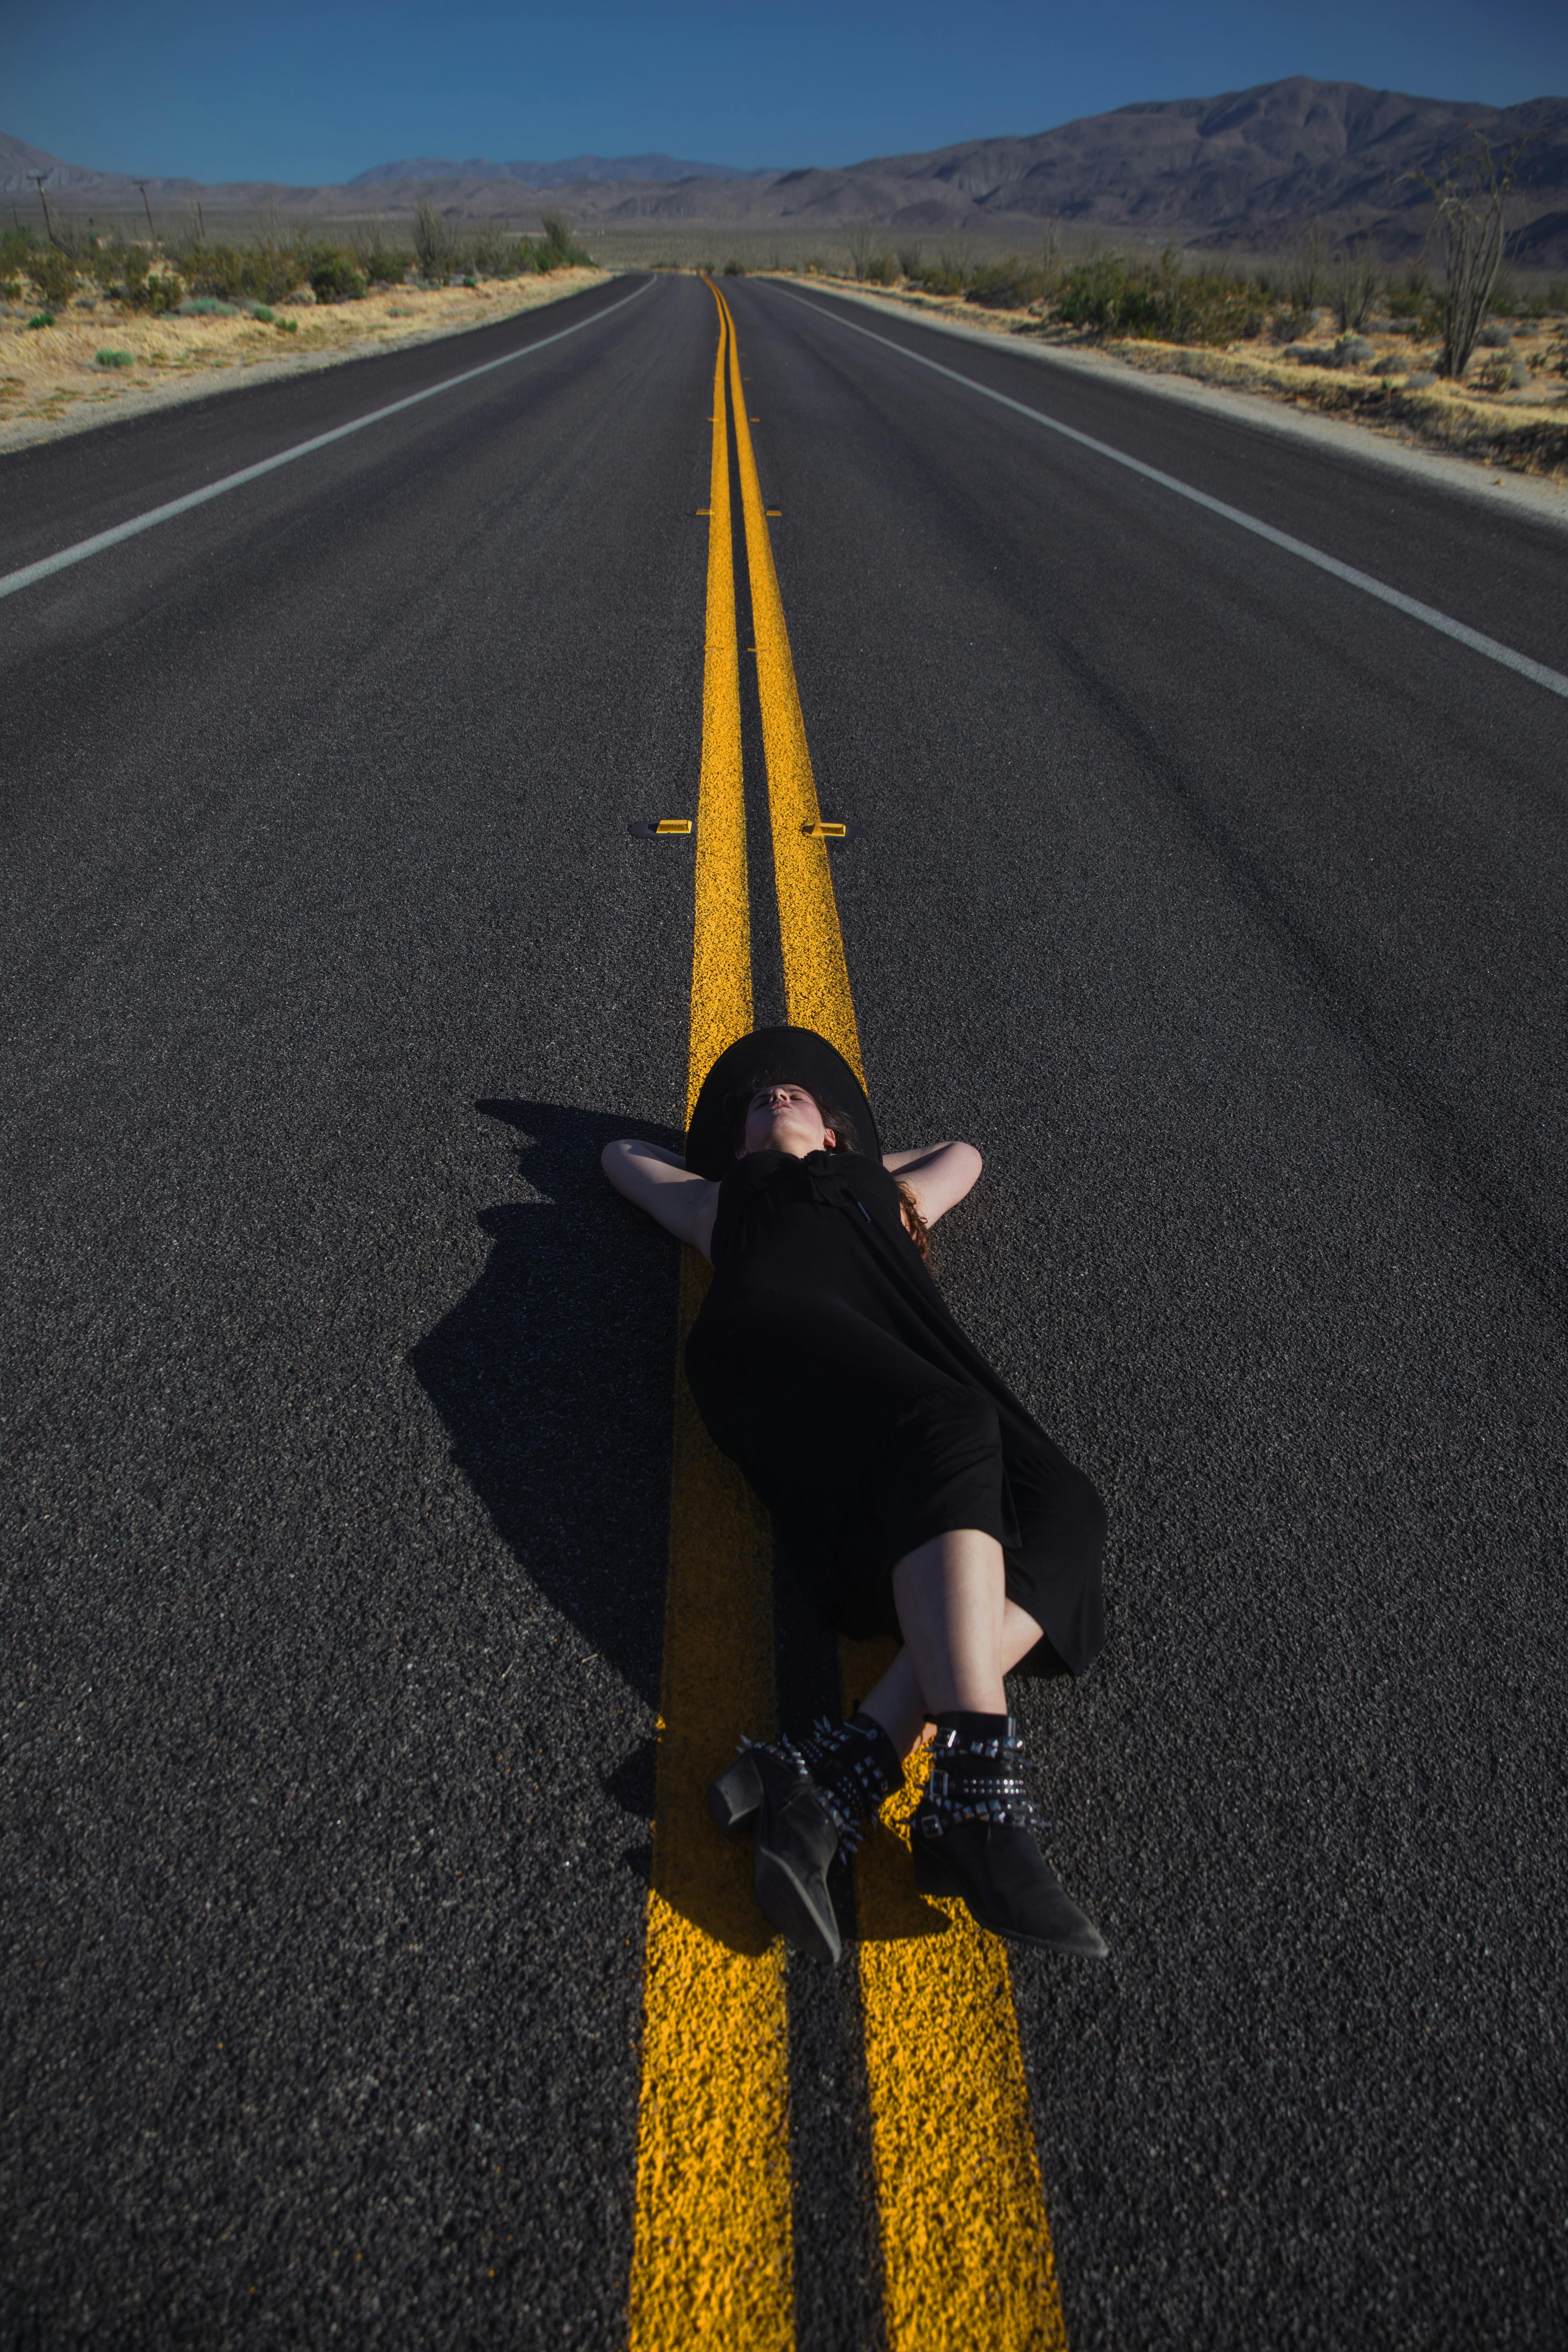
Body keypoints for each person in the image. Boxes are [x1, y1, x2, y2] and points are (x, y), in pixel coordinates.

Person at [602, 1026, 1109, 1963]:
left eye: (795, 1097)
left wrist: (852, 1157)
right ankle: (977, 1794)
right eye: (758, 1105)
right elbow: (620, 1155)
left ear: (841, 1135)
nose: (773, 1100)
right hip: (776, 1345)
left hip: (915, 1373)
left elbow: (967, 1154)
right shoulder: (722, 1201)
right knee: (952, 1427)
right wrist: (749, 1154)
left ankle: (839, 1772)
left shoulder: (894, 1195)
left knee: (1069, 1509)